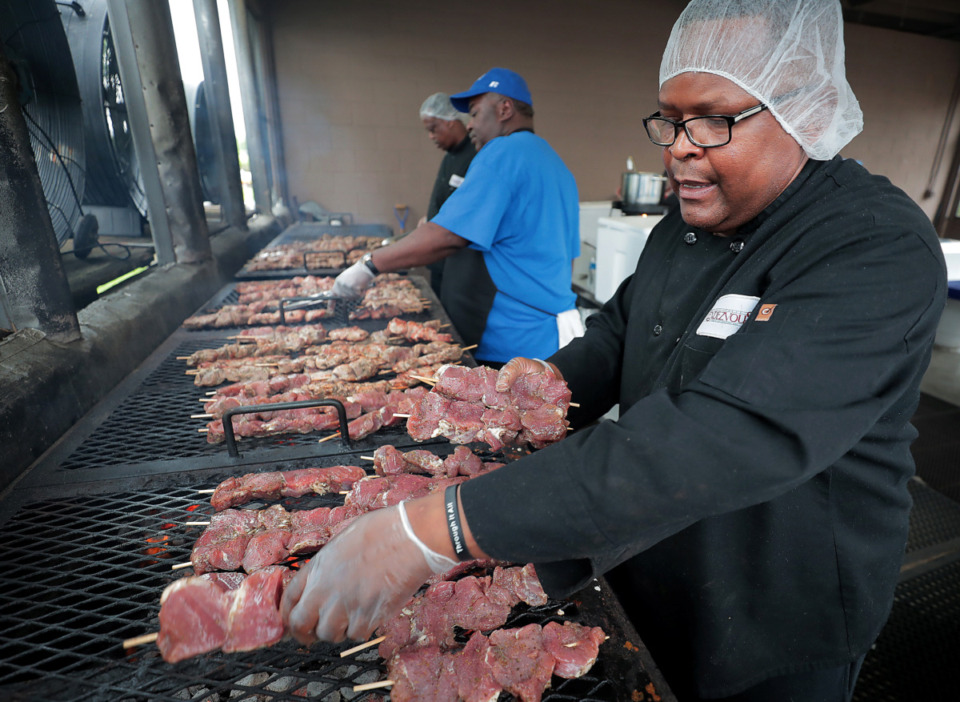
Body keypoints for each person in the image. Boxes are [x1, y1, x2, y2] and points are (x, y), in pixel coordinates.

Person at [281, 2, 947, 700]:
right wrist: (517, 401)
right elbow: (622, 333)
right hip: (646, 554)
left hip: (772, 608)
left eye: (713, 120)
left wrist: (435, 527)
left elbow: (722, 437)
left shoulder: (871, 246)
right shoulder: (688, 221)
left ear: (805, 110)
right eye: (670, 119)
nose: (680, 147)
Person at [331, 67, 583, 366]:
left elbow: (448, 235)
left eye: (475, 113)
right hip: (547, 340)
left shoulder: (502, 152)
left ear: (505, 109)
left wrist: (369, 266)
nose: (471, 124)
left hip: (507, 343)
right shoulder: (556, 164)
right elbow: (568, 260)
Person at [417, 92, 477, 296]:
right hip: (440, 263)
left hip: (461, 269)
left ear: (450, 121)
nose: (431, 136)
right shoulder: (450, 156)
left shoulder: (475, 156)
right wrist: (431, 217)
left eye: (433, 129)